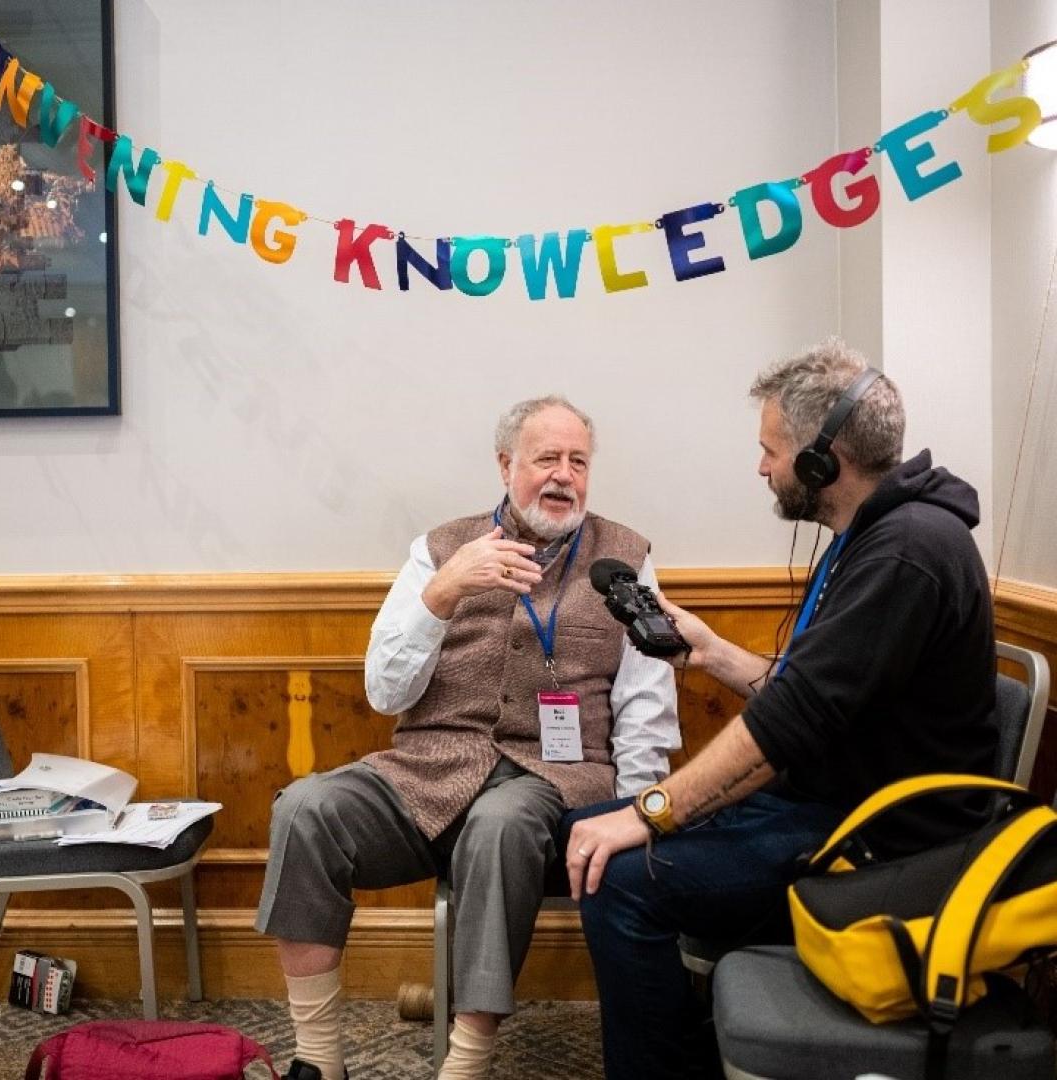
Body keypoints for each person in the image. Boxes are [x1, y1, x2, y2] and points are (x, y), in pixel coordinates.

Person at [565, 339, 998, 1080]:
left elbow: (786, 727)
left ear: (824, 459)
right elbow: (814, 698)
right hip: (828, 801)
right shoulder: (872, 537)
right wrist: (708, 651)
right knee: (583, 832)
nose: (762, 466)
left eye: (770, 449)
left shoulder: (906, 553)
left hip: (877, 845)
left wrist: (650, 810)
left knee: (618, 876)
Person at [256, 395, 680, 1080]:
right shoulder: (439, 550)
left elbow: (645, 701)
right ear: (506, 464)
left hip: (552, 783)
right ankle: (319, 1057)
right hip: (427, 769)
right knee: (304, 810)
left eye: (578, 461)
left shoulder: (625, 558)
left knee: (500, 825)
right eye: (547, 458)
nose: (563, 475)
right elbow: (384, 692)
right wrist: (442, 594)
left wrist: (634, 812)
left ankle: (468, 1062)